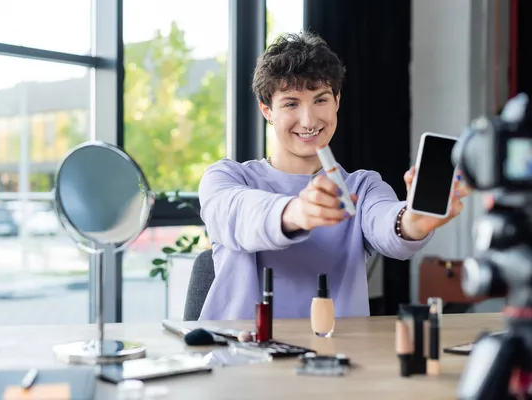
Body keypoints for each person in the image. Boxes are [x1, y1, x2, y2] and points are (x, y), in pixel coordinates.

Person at [197, 31, 469, 321]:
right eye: (291, 104)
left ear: (337, 101)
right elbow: (237, 212)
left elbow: (386, 223)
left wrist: (413, 221)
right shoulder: (226, 177)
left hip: (335, 354)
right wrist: (296, 211)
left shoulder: (361, 186)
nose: (309, 120)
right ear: (267, 110)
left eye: (320, 100)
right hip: (241, 354)